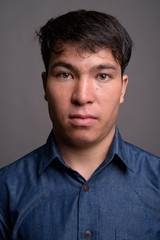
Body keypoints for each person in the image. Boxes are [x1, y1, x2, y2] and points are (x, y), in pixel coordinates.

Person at [0, 9, 160, 240]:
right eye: (65, 75)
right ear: (45, 85)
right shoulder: (5, 190)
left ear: (123, 88)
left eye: (102, 76)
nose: (82, 96)